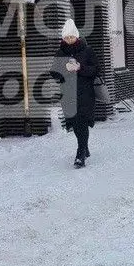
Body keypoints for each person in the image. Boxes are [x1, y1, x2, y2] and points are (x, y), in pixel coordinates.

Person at [50, 18, 100, 168]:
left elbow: (96, 69)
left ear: (77, 36)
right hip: (68, 93)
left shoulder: (87, 50)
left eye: (71, 37)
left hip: (85, 92)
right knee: (76, 123)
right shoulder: (60, 53)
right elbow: (53, 73)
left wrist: (80, 68)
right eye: (66, 37)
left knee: (82, 121)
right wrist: (65, 70)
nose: (69, 40)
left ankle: (80, 153)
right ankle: (84, 147)